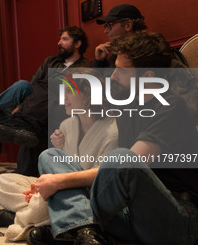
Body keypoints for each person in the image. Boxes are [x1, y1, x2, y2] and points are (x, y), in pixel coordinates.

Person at [26, 32, 198, 245]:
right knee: (50, 156)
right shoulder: (128, 101)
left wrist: (58, 181)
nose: (114, 75)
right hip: (129, 209)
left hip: (175, 216)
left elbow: (128, 165)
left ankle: (70, 228)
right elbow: (86, 94)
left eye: (122, 70)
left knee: (121, 159)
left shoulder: (170, 106)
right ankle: (85, 232)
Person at [0, 26, 91, 201]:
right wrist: (20, 106)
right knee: (16, 90)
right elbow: (33, 85)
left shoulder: (86, 67)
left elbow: (83, 95)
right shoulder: (51, 61)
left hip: (54, 110)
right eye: (59, 39)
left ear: (77, 43)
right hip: (31, 105)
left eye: (65, 39)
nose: (59, 43)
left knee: (53, 86)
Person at [0, 68, 118, 242]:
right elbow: (57, 171)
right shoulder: (66, 125)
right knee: (2, 182)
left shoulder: (112, 130)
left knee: (48, 156)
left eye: (69, 92)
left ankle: (22, 218)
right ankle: (46, 218)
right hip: (64, 193)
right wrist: (42, 186)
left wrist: (50, 188)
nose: (64, 98)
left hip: (87, 194)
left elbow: (100, 178)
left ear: (88, 93)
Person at [94, 3, 196, 96]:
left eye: (109, 26)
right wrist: (99, 62)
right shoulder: (116, 58)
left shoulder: (157, 55)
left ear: (127, 25)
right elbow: (103, 92)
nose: (105, 31)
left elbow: (187, 101)